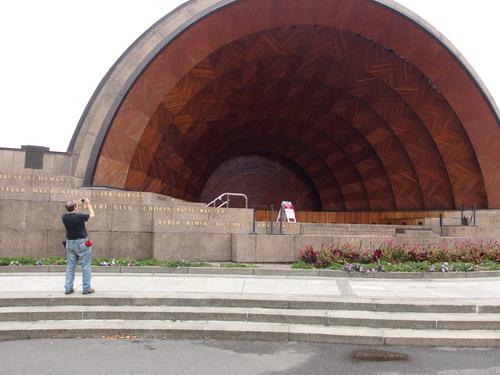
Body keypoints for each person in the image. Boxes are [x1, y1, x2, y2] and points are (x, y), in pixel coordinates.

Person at [62, 197, 95, 294]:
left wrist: (77, 203)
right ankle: (86, 288)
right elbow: (92, 215)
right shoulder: (79, 216)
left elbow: (72, 209)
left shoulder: (64, 217)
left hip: (70, 243)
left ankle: (68, 288)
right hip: (81, 243)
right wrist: (88, 204)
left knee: (70, 266)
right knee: (85, 265)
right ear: (75, 208)